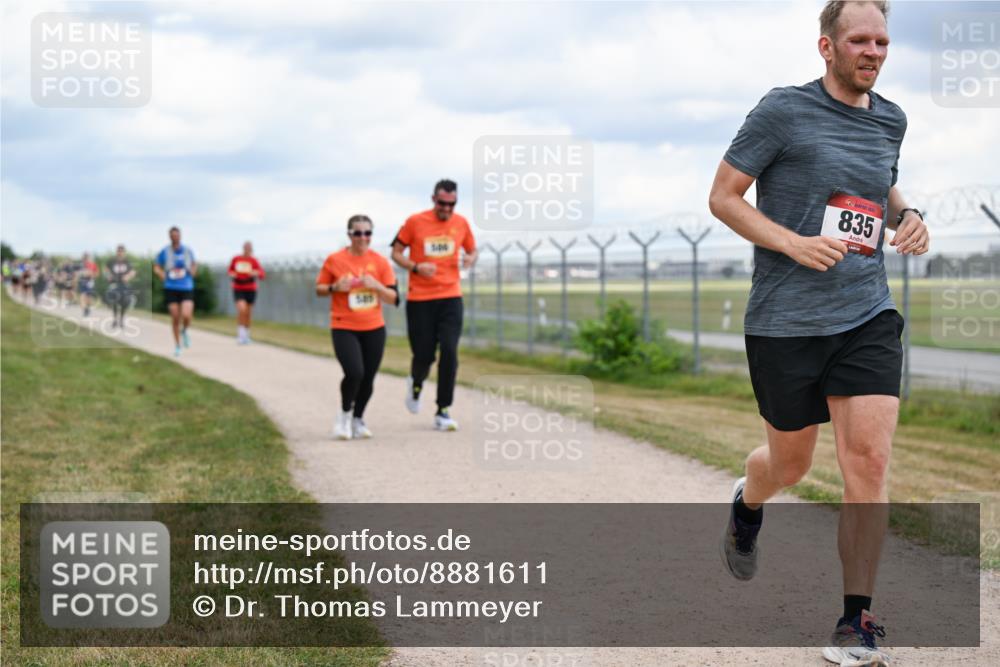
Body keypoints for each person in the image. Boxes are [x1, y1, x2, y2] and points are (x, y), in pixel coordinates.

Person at [708, 2, 930, 666]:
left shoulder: (891, 118)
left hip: (866, 313)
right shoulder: (783, 110)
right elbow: (724, 196)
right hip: (786, 322)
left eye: (882, 41)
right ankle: (748, 504)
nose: (873, 51)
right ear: (827, 47)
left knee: (868, 463)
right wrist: (792, 243)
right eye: (859, 40)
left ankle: (855, 620)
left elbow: (881, 183)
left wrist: (908, 213)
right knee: (790, 465)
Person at [391, 179, 478, 431]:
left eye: (452, 204)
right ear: (433, 199)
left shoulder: (461, 223)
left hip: (451, 296)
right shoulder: (415, 222)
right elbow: (396, 253)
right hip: (420, 299)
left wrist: (470, 258)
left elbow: (473, 250)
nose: (447, 209)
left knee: (449, 351)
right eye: (442, 203)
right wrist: (416, 267)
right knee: (424, 355)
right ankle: (416, 384)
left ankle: (443, 410)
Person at [316, 215, 398, 440]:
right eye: (358, 233)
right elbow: (319, 289)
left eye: (367, 233)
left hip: (374, 327)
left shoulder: (380, 262)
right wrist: (335, 287)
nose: (363, 237)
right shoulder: (335, 260)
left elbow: (393, 298)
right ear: (349, 234)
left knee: (368, 377)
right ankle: (344, 414)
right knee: (354, 372)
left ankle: (358, 419)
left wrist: (377, 286)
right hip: (344, 325)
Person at [153, 227, 197, 357]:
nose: (175, 237)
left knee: (187, 315)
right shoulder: (165, 251)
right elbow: (156, 266)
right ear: (170, 237)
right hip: (171, 287)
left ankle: (185, 330)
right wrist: (161, 274)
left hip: (186, 286)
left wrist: (193, 271)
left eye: (177, 235)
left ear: (180, 236)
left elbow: (194, 264)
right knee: (175, 317)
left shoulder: (187, 250)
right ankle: (177, 346)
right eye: (173, 235)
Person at [227, 241, 266, 344]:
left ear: (251, 249)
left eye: (249, 248)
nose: (247, 250)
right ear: (243, 248)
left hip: (250, 288)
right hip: (238, 287)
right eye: (246, 248)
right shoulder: (236, 259)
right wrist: (232, 274)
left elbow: (262, 274)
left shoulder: (254, 261)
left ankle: (247, 336)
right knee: (242, 309)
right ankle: (240, 335)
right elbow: (230, 271)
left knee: (248, 313)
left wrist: (256, 273)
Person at [104, 245, 136, 329]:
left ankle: (121, 319)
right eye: (119, 251)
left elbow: (133, 271)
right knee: (113, 298)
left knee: (125, 300)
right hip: (114, 282)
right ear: (117, 252)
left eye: (121, 251)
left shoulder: (127, 261)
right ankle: (115, 319)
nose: (120, 253)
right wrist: (108, 276)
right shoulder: (112, 261)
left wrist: (128, 276)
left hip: (124, 283)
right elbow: (106, 269)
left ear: (124, 252)